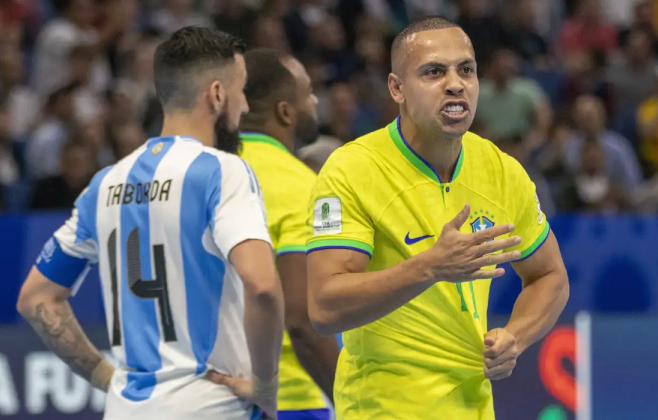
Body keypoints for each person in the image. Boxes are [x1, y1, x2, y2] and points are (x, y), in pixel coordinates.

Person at [305, 16, 569, 420]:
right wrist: (430, 267)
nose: (455, 83)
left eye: (466, 69)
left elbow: (549, 276)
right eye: (433, 72)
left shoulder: (502, 171)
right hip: (382, 409)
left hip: (474, 408)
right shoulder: (352, 170)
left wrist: (515, 336)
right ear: (397, 88)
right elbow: (325, 309)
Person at [16, 27, 284, 420]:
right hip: (212, 405)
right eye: (241, 90)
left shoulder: (105, 183)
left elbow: (35, 297)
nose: (244, 106)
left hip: (126, 409)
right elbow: (262, 286)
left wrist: (105, 377)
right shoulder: (222, 171)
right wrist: (266, 385)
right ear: (216, 94)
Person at [222, 48, 340, 420]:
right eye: (307, 93)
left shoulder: (204, 174)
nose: (316, 100)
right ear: (285, 111)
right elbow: (302, 321)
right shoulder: (309, 188)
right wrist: (352, 400)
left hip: (204, 396)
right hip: (288, 399)